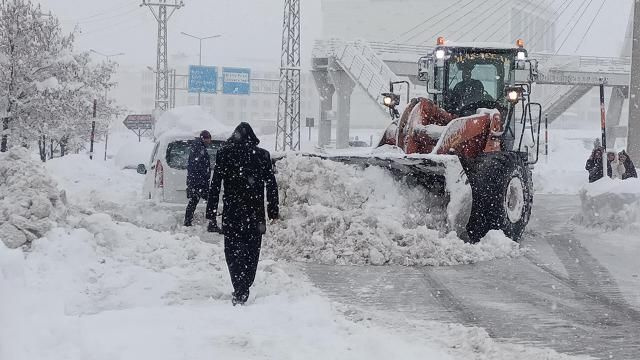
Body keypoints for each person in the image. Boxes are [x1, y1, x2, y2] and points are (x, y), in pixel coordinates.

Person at [206, 122, 279, 306]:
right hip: (255, 214)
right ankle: (245, 284)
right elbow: (271, 184)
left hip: (232, 213)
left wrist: (212, 211)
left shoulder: (224, 154)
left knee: (232, 252)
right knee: (252, 252)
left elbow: (215, 184)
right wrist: (272, 209)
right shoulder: (262, 155)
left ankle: (239, 286)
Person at [184, 130, 212, 227]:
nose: (210, 141)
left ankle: (188, 221)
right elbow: (198, 166)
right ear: (204, 138)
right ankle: (211, 223)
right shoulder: (199, 148)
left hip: (196, 181)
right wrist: (203, 180)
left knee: (194, 202)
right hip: (199, 181)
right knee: (206, 201)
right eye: (208, 139)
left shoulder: (198, 147)